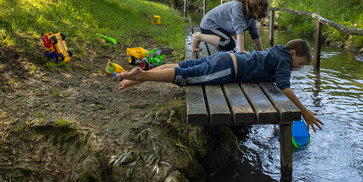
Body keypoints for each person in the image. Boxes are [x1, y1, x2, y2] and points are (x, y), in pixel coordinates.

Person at [118, 38, 324, 132]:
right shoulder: (285, 60)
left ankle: (134, 78)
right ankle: (142, 76)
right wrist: (304, 112)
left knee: (184, 65)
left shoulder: (277, 51)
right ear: (293, 54)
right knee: (185, 76)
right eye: (300, 64)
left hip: (225, 57)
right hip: (228, 69)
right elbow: (284, 87)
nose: (298, 68)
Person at [191, 0, 268, 54]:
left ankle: (219, 49)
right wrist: (241, 50)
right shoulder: (237, 8)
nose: (260, 10)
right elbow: (239, 29)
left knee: (229, 43)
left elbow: (255, 34)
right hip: (209, 25)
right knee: (229, 44)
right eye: (259, 6)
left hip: (220, 27)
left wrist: (261, 53)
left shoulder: (252, 15)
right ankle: (198, 37)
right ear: (252, 4)